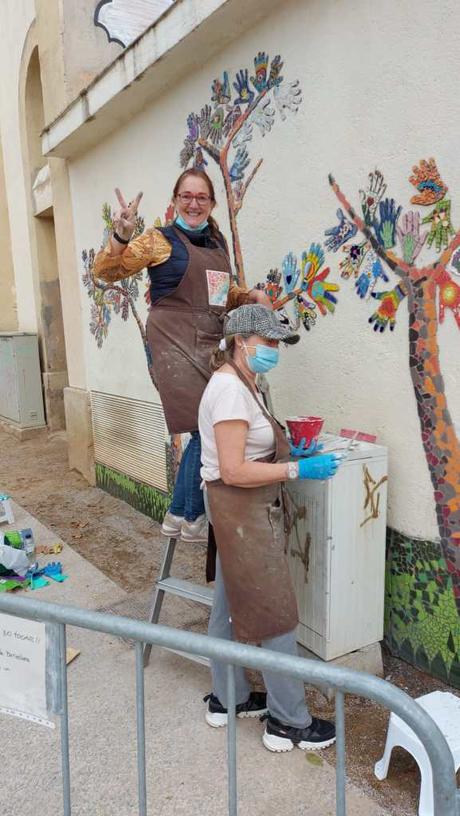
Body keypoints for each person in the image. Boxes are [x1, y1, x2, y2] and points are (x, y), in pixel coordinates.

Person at [93, 169, 270, 544]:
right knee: (202, 427)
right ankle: (191, 514)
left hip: (210, 341)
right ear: (175, 200)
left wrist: (248, 295)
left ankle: (177, 514)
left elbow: (221, 294)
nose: (193, 203)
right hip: (172, 343)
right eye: (186, 196)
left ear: (212, 203)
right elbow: (106, 272)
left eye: (201, 197)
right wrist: (121, 235)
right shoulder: (158, 240)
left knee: (211, 423)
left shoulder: (215, 242)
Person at [198, 304, 341, 753]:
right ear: (241, 342)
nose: (275, 351)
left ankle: (229, 698)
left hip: (235, 506)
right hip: (239, 506)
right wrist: (297, 470)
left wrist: (289, 450)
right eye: (269, 343)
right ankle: (288, 722)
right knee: (277, 612)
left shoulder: (245, 382)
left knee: (226, 604)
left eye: (279, 343)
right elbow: (234, 469)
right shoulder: (229, 392)